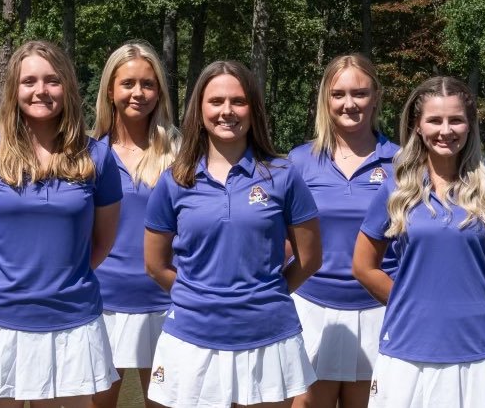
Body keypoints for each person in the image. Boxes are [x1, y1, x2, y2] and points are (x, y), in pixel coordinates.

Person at [0, 40, 123, 407]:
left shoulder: (98, 158)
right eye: (29, 81)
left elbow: (103, 242)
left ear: (67, 88)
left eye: (52, 80)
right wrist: (0, 280)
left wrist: (62, 280)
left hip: (71, 321)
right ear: (14, 89)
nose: (41, 90)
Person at [143, 61, 322, 407]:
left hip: (268, 334)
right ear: (199, 110)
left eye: (238, 101)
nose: (227, 111)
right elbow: (155, 264)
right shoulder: (174, 181)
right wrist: (196, 298)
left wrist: (267, 295)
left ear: (254, 109)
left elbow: (310, 258)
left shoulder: (283, 176)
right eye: (216, 101)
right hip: (193, 336)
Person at [352, 76, 485, 408]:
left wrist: (479, 308)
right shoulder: (396, 189)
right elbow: (363, 266)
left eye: (455, 120)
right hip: (408, 347)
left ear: (469, 125)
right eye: (435, 120)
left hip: (479, 349)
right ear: (418, 126)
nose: (445, 130)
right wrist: (408, 302)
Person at [288, 54, 399, 408]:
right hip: (310, 309)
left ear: (376, 96)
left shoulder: (404, 162)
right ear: (326, 98)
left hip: (380, 310)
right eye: (338, 94)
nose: (349, 104)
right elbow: (284, 242)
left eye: (359, 93)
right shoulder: (299, 161)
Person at [90, 41, 180, 408]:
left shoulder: (182, 154)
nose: (138, 93)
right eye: (128, 83)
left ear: (159, 92)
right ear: (110, 91)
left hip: (167, 303)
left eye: (148, 84)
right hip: (99, 303)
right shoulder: (86, 154)